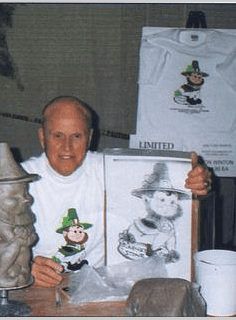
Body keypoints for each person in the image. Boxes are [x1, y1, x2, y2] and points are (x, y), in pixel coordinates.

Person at [21, 96, 212, 288]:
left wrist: (199, 182)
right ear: (42, 137)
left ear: (89, 138)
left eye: (76, 136)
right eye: (58, 136)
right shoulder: (19, 180)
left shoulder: (112, 168)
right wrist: (23, 267)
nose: (67, 147)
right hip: (39, 288)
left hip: (99, 286)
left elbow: (176, 184)